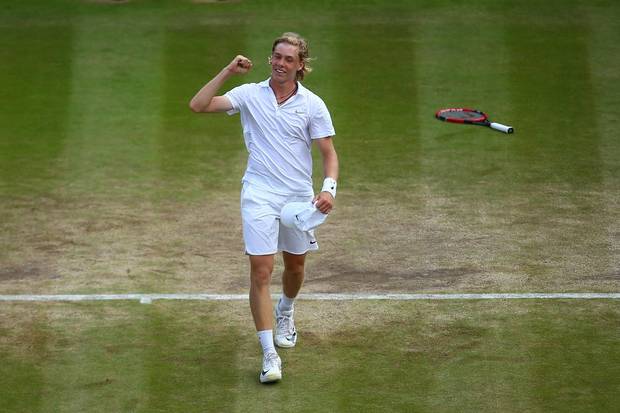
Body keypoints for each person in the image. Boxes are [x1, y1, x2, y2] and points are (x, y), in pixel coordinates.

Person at [189, 32, 339, 383]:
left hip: (298, 198)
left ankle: (285, 309)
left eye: (288, 59)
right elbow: (198, 105)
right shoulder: (248, 95)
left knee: (295, 267)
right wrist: (228, 70)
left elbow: (328, 154)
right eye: (276, 56)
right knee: (260, 270)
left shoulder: (313, 105)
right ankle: (269, 354)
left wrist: (328, 190)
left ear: (300, 65)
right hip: (258, 193)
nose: (280, 63)